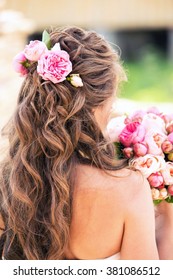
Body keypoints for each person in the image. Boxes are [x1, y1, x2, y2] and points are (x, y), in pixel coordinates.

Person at [0, 26, 173, 260]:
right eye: (110, 107)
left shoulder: (8, 184)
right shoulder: (129, 189)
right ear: (97, 106)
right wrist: (168, 215)